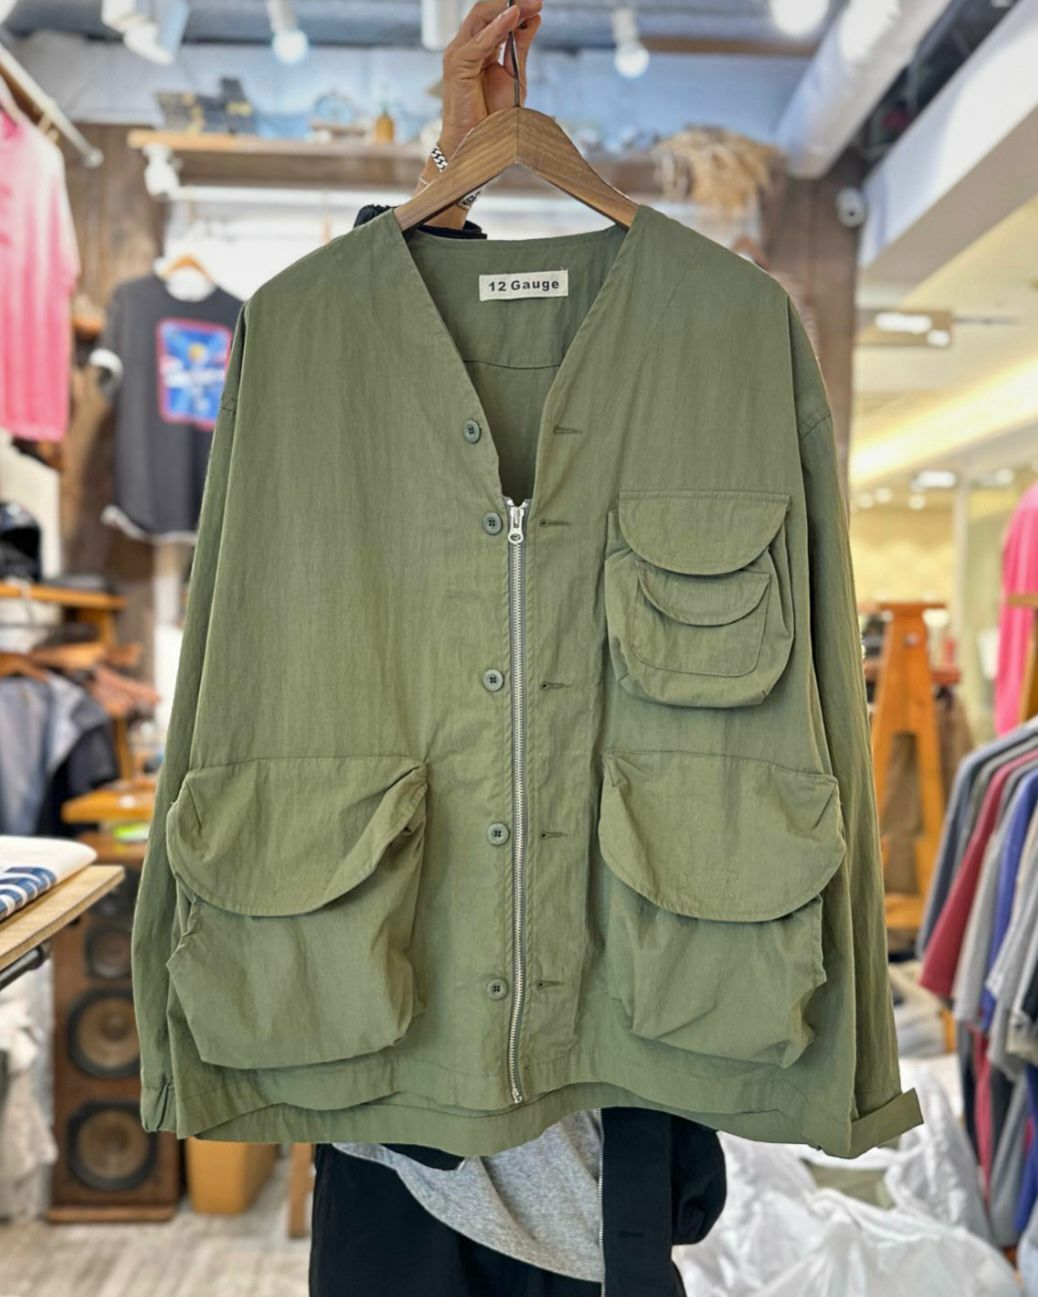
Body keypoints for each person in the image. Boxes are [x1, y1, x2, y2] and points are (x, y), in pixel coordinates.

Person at [308, 6, 726, 1295]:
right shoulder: (341, 419)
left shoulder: (697, 374)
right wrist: (453, 174)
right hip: (402, 1120)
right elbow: (361, 362)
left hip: (610, 1108)